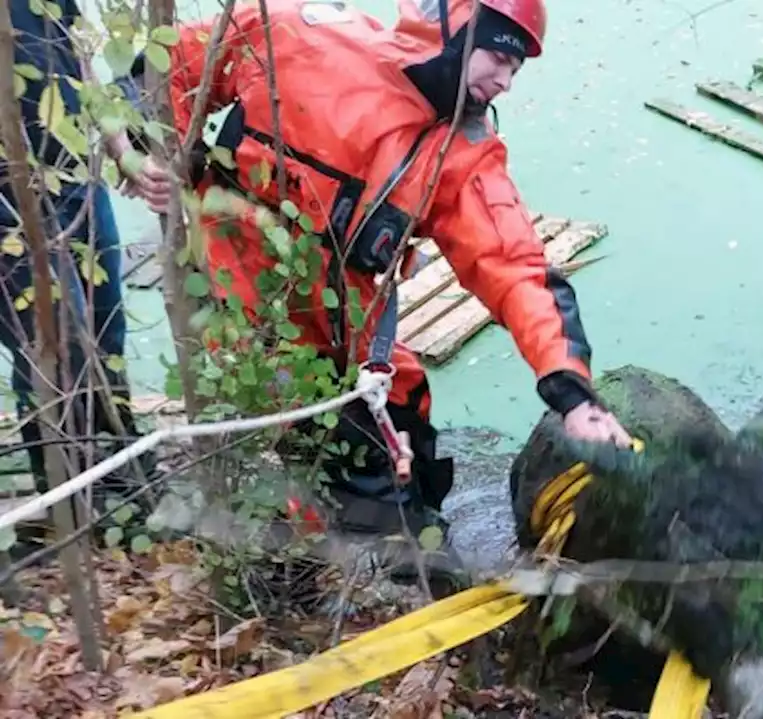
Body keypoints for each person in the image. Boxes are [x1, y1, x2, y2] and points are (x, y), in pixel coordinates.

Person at [112, 0, 631, 580]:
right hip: (237, 286)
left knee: (408, 423)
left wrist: (573, 396)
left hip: (343, 312)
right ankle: (326, 581)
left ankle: (417, 547)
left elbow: (514, 267)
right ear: (456, 28)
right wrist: (142, 154)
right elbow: (167, 70)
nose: (507, 82)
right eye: (501, 57)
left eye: (518, 69)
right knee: (345, 462)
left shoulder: (460, 156)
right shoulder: (299, 36)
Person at [2, 0, 164, 541]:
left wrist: (123, 152)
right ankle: (68, 500)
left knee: (105, 327)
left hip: (74, 179)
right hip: (11, 199)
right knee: (51, 339)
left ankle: (120, 469)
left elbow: (79, 64)